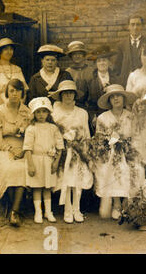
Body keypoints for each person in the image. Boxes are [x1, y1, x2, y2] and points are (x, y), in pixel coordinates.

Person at [92, 84, 144, 220]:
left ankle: (127, 202)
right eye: (112, 97)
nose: (116, 99)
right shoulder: (103, 118)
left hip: (128, 150)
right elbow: (99, 139)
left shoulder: (131, 116)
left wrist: (132, 150)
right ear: (109, 101)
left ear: (123, 98)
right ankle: (116, 203)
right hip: (109, 152)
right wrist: (110, 145)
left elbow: (136, 136)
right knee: (113, 166)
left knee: (136, 167)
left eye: (119, 96)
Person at [0, 79, 32, 227]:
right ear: (7, 92)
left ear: (22, 92)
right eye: (12, 91)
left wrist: (24, 148)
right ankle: (17, 210)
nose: (15, 94)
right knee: (9, 168)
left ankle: (14, 210)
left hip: (24, 147)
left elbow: (31, 135)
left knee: (24, 167)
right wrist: (11, 149)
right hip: (4, 148)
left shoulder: (27, 111)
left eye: (18, 90)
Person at [50, 80, 93, 224]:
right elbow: (53, 133)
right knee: (66, 181)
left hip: (78, 151)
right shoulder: (55, 112)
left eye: (71, 93)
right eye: (65, 93)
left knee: (77, 181)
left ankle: (77, 208)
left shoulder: (82, 113)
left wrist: (85, 152)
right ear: (61, 95)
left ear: (75, 95)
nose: (68, 96)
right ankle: (67, 209)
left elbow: (86, 134)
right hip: (62, 152)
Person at [23, 97, 64, 224]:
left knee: (47, 187)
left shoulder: (53, 128)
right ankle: (38, 212)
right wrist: (30, 165)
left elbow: (60, 146)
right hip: (35, 160)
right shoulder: (31, 128)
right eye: (38, 112)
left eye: (44, 111)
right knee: (37, 187)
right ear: (34, 114)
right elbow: (27, 148)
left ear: (48, 113)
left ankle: (48, 212)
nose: (41, 115)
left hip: (49, 161)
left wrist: (56, 162)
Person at [0, 38, 28, 143]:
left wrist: (19, 107)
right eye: (5, 49)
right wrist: (6, 110)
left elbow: (24, 91)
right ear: (0, 52)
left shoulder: (17, 69)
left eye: (11, 49)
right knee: (0, 134)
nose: (9, 52)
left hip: (17, 107)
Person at [126, 43, 146, 164]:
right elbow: (128, 98)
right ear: (140, 56)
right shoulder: (134, 75)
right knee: (138, 145)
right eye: (144, 55)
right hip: (137, 116)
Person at [80, 45, 122, 132]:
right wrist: (92, 116)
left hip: (113, 116)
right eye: (99, 61)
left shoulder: (116, 78)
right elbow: (84, 102)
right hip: (96, 117)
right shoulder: (89, 80)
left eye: (104, 60)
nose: (102, 63)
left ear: (109, 62)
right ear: (96, 64)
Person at [114, 15, 146, 87]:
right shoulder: (121, 45)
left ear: (142, 26)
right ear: (128, 26)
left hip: (145, 83)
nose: (135, 27)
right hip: (125, 84)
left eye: (138, 24)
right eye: (132, 24)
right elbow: (117, 68)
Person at [65, 41, 92, 108]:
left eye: (80, 53)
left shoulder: (91, 70)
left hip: (90, 105)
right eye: (74, 54)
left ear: (83, 55)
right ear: (71, 56)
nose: (77, 56)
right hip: (73, 106)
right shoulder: (67, 72)